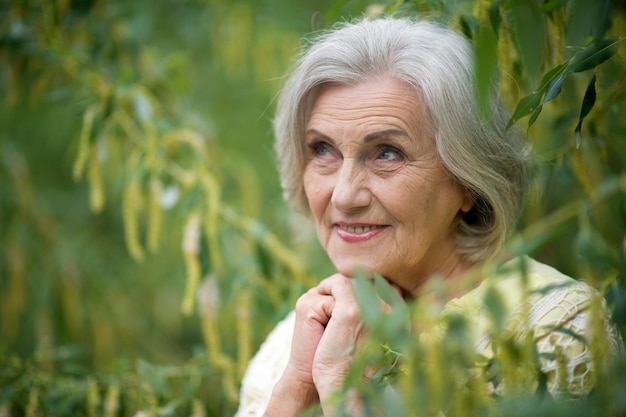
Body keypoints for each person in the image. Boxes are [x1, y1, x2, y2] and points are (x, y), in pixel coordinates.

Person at [234, 17, 621, 416]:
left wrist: (341, 389)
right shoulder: (292, 341)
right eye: (322, 150)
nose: (345, 196)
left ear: (468, 179)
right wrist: (295, 388)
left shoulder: (554, 329)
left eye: (387, 153)